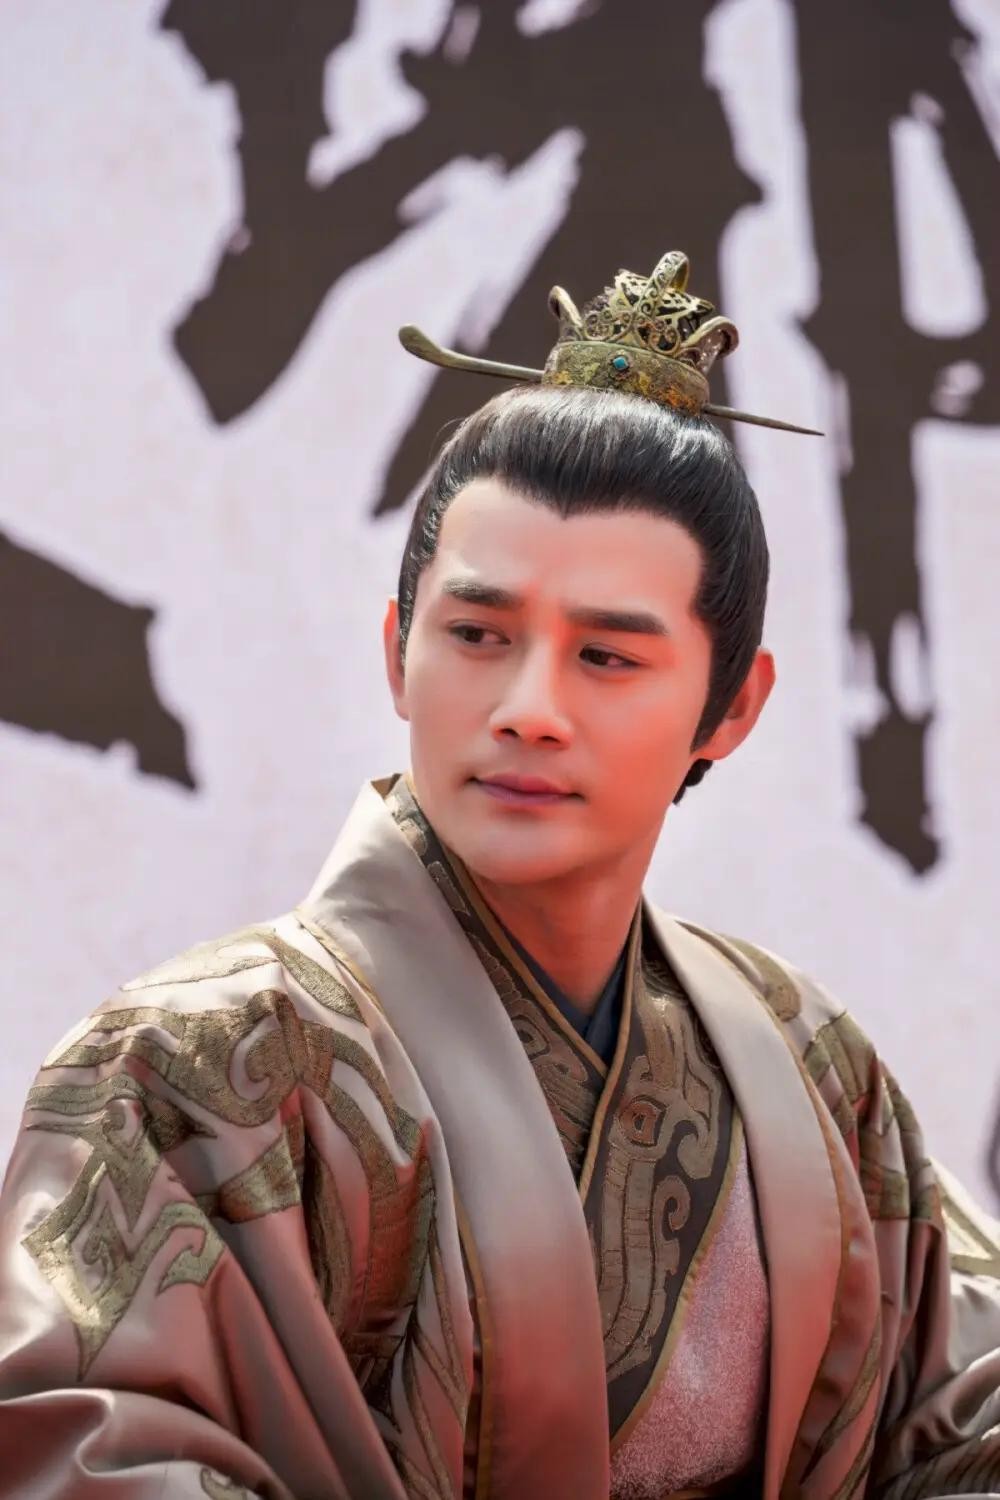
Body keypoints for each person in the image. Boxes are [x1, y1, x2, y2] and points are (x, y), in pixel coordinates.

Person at [0, 252, 997, 1500]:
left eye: (607, 658)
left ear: (732, 707)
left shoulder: (807, 1060)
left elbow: (969, 1400)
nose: (528, 708)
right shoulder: (194, 1064)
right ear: (397, 653)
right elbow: (80, 1448)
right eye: (477, 634)